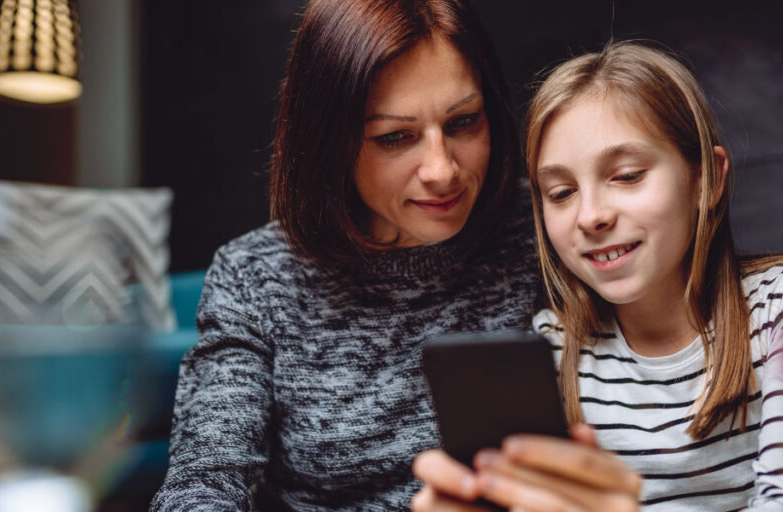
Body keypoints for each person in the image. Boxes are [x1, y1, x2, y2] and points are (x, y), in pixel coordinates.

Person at [412, 42, 783, 511]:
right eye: (561, 193)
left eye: (626, 175)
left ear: (707, 180)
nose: (591, 216)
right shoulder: (554, 353)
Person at [150, 0, 539, 510]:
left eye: (464, 122)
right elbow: (204, 479)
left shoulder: (548, 225)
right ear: (329, 142)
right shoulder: (255, 276)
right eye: (395, 137)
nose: (442, 170)